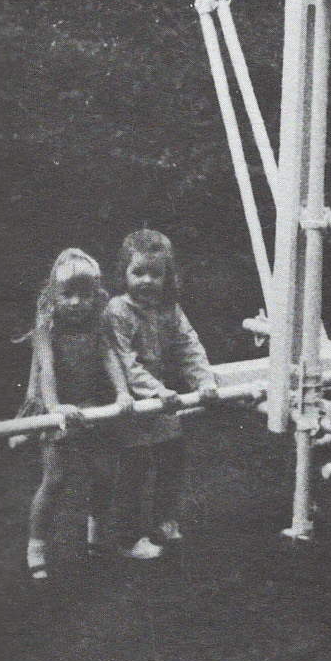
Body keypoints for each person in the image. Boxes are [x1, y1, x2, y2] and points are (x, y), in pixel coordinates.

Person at [19, 248, 134, 581]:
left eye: (84, 295)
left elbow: (110, 358)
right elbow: (47, 370)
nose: (75, 302)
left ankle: (96, 539)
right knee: (55, 480)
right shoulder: (47, 328)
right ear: (52, 295)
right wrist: (55, 407)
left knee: (104, 475)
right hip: (57, 408)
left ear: (95, 296)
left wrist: (122, 392)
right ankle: (36, 547)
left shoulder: (98, 324)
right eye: (67, 294)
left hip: (91, 407)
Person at [106, 229, 218, 560]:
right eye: (138, 272)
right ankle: (127, 538)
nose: (147, 280)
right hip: (129, 400)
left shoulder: (170, 308)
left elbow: (188, 346)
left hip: (161, 399)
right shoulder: (117, 310)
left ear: (167, 275)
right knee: (134, 469)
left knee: (172, 459)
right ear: (124, 272)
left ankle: (164, 521)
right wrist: (157, 391)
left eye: (155, 273)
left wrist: (204, 382)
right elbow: (125, 363)